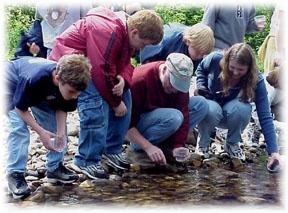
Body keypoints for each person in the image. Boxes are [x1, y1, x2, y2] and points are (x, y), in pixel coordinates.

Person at [48, 6, 164, 179]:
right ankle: (86, 160)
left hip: (95, 67)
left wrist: (123, 80)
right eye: (143, 44)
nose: (142, 48)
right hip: (72, 67)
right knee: (96, 104)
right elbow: (99, 71)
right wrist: (115, 103)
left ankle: (112, 149)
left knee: (126, 95)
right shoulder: (106, 31)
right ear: (134, 32)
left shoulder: (126, 35)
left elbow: (126, 64)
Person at [5, 54, 91, 199]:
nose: (75, 96)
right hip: (11, 84)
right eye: (71, 92)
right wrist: (41, 133)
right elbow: (21, 108)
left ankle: (54, 167)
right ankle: (15, 174)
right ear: (58, 79)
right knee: (19, 129)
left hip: (41, 92)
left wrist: (61, 133)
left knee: (55, 128)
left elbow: (62, 107)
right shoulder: (34, 78)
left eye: (78, 94)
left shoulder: (71, 85)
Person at [194, 43, 280, 172]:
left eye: (241, 70)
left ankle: (232, 144)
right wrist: (201, 85)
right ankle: (203, 144)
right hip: (212, 107)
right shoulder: (215, 59)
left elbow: (265, 116)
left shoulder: (257, 79)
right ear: (227, 61)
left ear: (249, 68)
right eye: (232, 67)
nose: (235, 72)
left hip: (232, 113)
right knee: (211, 109)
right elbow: (201, 68)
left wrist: (274, 152)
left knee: (242, 108)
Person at [127, 53, 208, 165]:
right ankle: (140, 147)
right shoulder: (139, 80)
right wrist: (148, 147)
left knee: (201, 104)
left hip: (164, 117)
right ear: (165, 68)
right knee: (174, 117)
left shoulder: (179, 87)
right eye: (172, 83)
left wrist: (178, 145)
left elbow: (184, 114)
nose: (175, 90)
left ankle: (167, 145)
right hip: (137, 127)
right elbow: (126, 124)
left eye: (179, 86)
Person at [138, 22, 215, 71]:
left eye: (203, 54)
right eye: (198, 52)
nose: (199, 57)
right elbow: (146, 60)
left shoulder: (197, 50)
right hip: (156, 60)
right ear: (188, 42)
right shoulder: (167, 41)